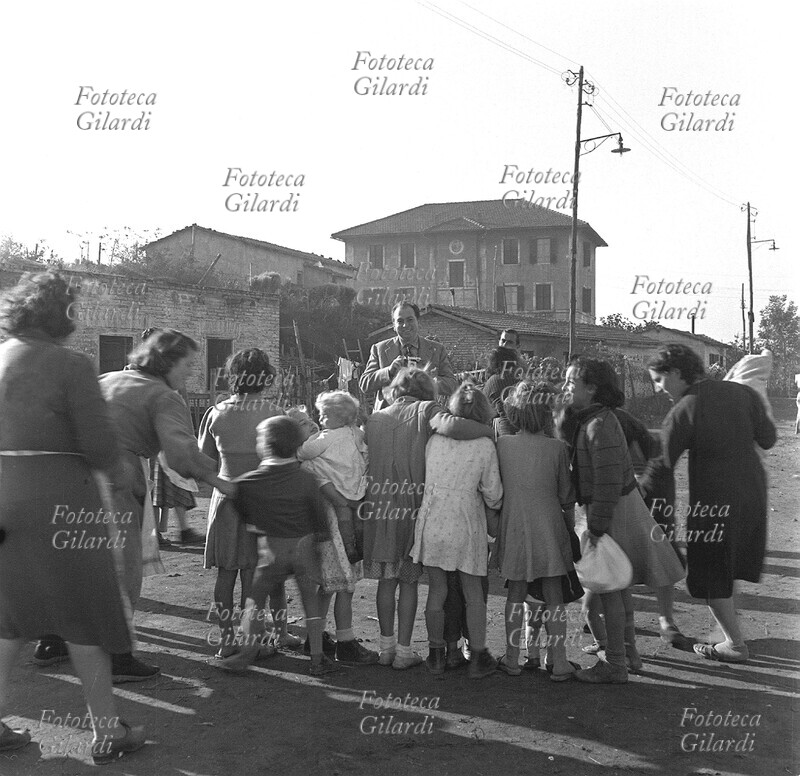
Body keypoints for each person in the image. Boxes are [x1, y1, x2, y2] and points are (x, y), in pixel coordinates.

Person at [0, 271, 145, 763]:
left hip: (5, 496)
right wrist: (124, 476)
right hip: (61, 500)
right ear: (60, 313)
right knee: (83, 613)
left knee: (10, 616)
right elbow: (100, 447)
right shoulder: (71, 364)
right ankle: (107, 730)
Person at [97, 329, 236, 681]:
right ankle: (118, 657)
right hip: (117, 480)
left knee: (77, 561)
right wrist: (219, 479)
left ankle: (53, 640)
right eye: (187, 365)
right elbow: (179, 452)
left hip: (72, 479)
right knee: (124, 567)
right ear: (168, 361)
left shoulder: (107, 379)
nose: (190, 373)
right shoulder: (163, 396)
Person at [640, 344, 776, 663]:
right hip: (753, 494)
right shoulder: (744, 393)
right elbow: (768, 438)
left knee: (709, 573)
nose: (658, 388)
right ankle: (729, 631)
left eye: (658, 379)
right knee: (731, 563)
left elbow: (661, 467)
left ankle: (734, 644)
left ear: (676, 372)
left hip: (715, 503)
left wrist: (635, 498)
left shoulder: (685, 408)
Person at [563, 357, 685, 683]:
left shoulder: (598, 426)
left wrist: (596, 529)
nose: (565, 388)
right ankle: (628, 654)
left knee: (609, 591)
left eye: (571, 383)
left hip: (610, 513)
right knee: (619, 587)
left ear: (592, 389)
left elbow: (606, 484)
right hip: (616, 509)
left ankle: (615, 663)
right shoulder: (597, 419)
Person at [363, 367, 495, 669]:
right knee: (409, 582)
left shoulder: (375, 418)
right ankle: (405, 651)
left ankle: (385, 649)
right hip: (413, 508)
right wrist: (489, 431)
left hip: (380, 509)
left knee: (386, 581)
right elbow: (454, 427)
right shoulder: (426, 410)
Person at [218, 416, 337, 676]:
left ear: (266, 445)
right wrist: (321, 541)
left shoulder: (251, 481)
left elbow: (236, 501)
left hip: (271, 551)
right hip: (305, 548)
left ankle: (246, 653)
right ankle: (317, 659)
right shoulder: (306, 478)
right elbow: (320, 518)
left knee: (255, 602)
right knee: (310, 604)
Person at [198, 348, 291, 658]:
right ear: (266, 377)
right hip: (262, 502)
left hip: (225, 499)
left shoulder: (215, 413)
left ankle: (227, 641)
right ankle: (254, 640)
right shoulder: (274, 414)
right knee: (253, 575)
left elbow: (204, 462)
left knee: (225, 574)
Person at [411, 383, 503, 679]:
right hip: (466, 521)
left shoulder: (434, 440)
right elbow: (493, 493)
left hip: (433, 517)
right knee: (473, 592)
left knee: (437, 590)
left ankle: (436, 654)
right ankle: (478, 656)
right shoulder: (485, 444)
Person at [496, 382, 579, 680]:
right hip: (549, 528)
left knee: (515, 594)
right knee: (554, 595)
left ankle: (512, 657)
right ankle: (559, 661)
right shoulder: (557, 449)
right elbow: (566, 497)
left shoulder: (502, 445)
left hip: (514, 527)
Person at [296, 391, 378, 665]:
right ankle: (345, 640)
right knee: (345, 584)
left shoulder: (325, 438)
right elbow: (367, 455)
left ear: (337, 417)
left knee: (330, 584)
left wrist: (305, 448)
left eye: (324, 415)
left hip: (329, 516)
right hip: (353, 508)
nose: (320, 419)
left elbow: (304, 454)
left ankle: (318, 638)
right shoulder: (356, 435)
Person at [360, 301, 456, 411]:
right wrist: (388, 372)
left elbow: (452, 385)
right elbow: (364, 384)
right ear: (393, 325)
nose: (405, 325)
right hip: (388, 415)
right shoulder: (379, 349)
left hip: (424, 414)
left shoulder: (436, 349)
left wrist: (428, 380)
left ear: (418, 321)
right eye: (400, 321)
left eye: (410, 320)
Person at [482, 346, 521, 438]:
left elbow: (484, 407)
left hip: (504, 430)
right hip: (525, 428)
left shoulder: (492, 381)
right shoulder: (521, 378)